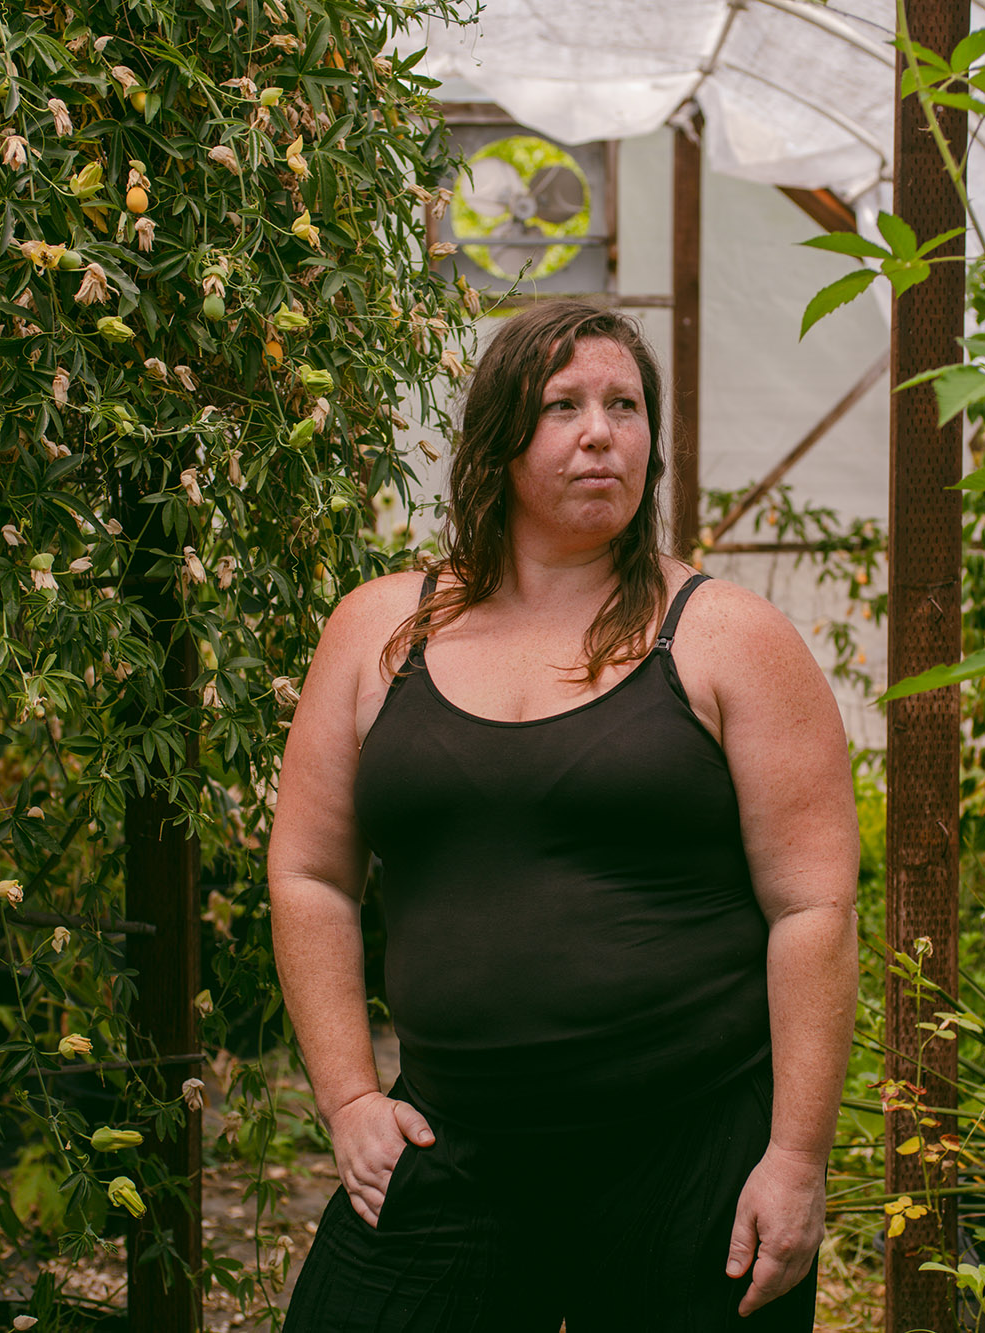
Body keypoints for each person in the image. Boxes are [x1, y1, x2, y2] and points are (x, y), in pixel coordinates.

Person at [267, 299, 859, 1331]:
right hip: (448, 1142)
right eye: (563, 405)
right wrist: (350, 1098)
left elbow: (812, 906)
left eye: (625, 405)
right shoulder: (378, 630)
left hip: (692, 1163)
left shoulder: (725, 637)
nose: (602, 431)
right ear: (496, 442)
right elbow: (309, 875)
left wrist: (795, 1160)